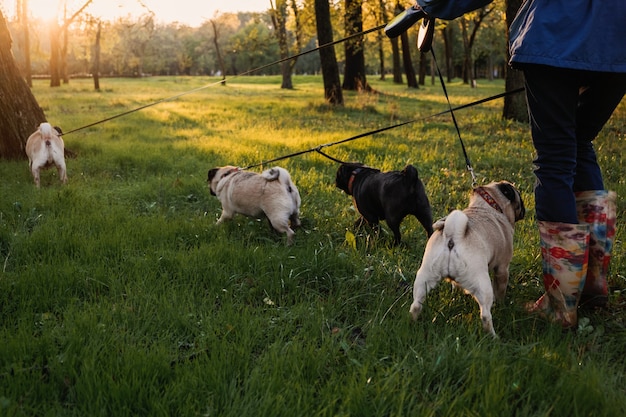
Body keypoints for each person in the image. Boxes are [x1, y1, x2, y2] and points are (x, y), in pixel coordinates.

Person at [386, 1, 626, 328]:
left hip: (558, 30)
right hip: (617, 36)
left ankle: (562, 304)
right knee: (581, 143)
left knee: (556, 159)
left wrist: (429, 4)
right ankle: (593, 283)